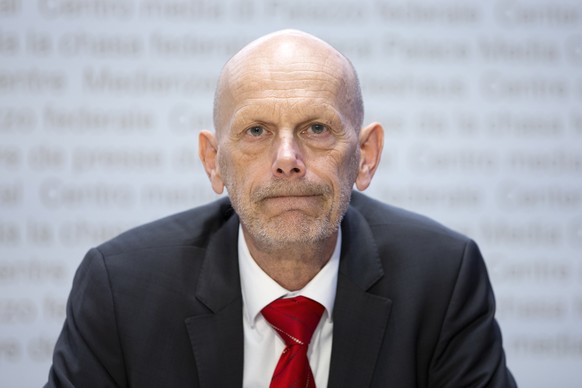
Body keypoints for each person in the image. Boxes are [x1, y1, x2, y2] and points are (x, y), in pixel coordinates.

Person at [45, 29, 517, 387]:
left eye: (316, 129)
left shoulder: (444, 279)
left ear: (366, 156)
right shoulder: (119, 289)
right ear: (214, 162)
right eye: (256, 132)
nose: (288, 160)